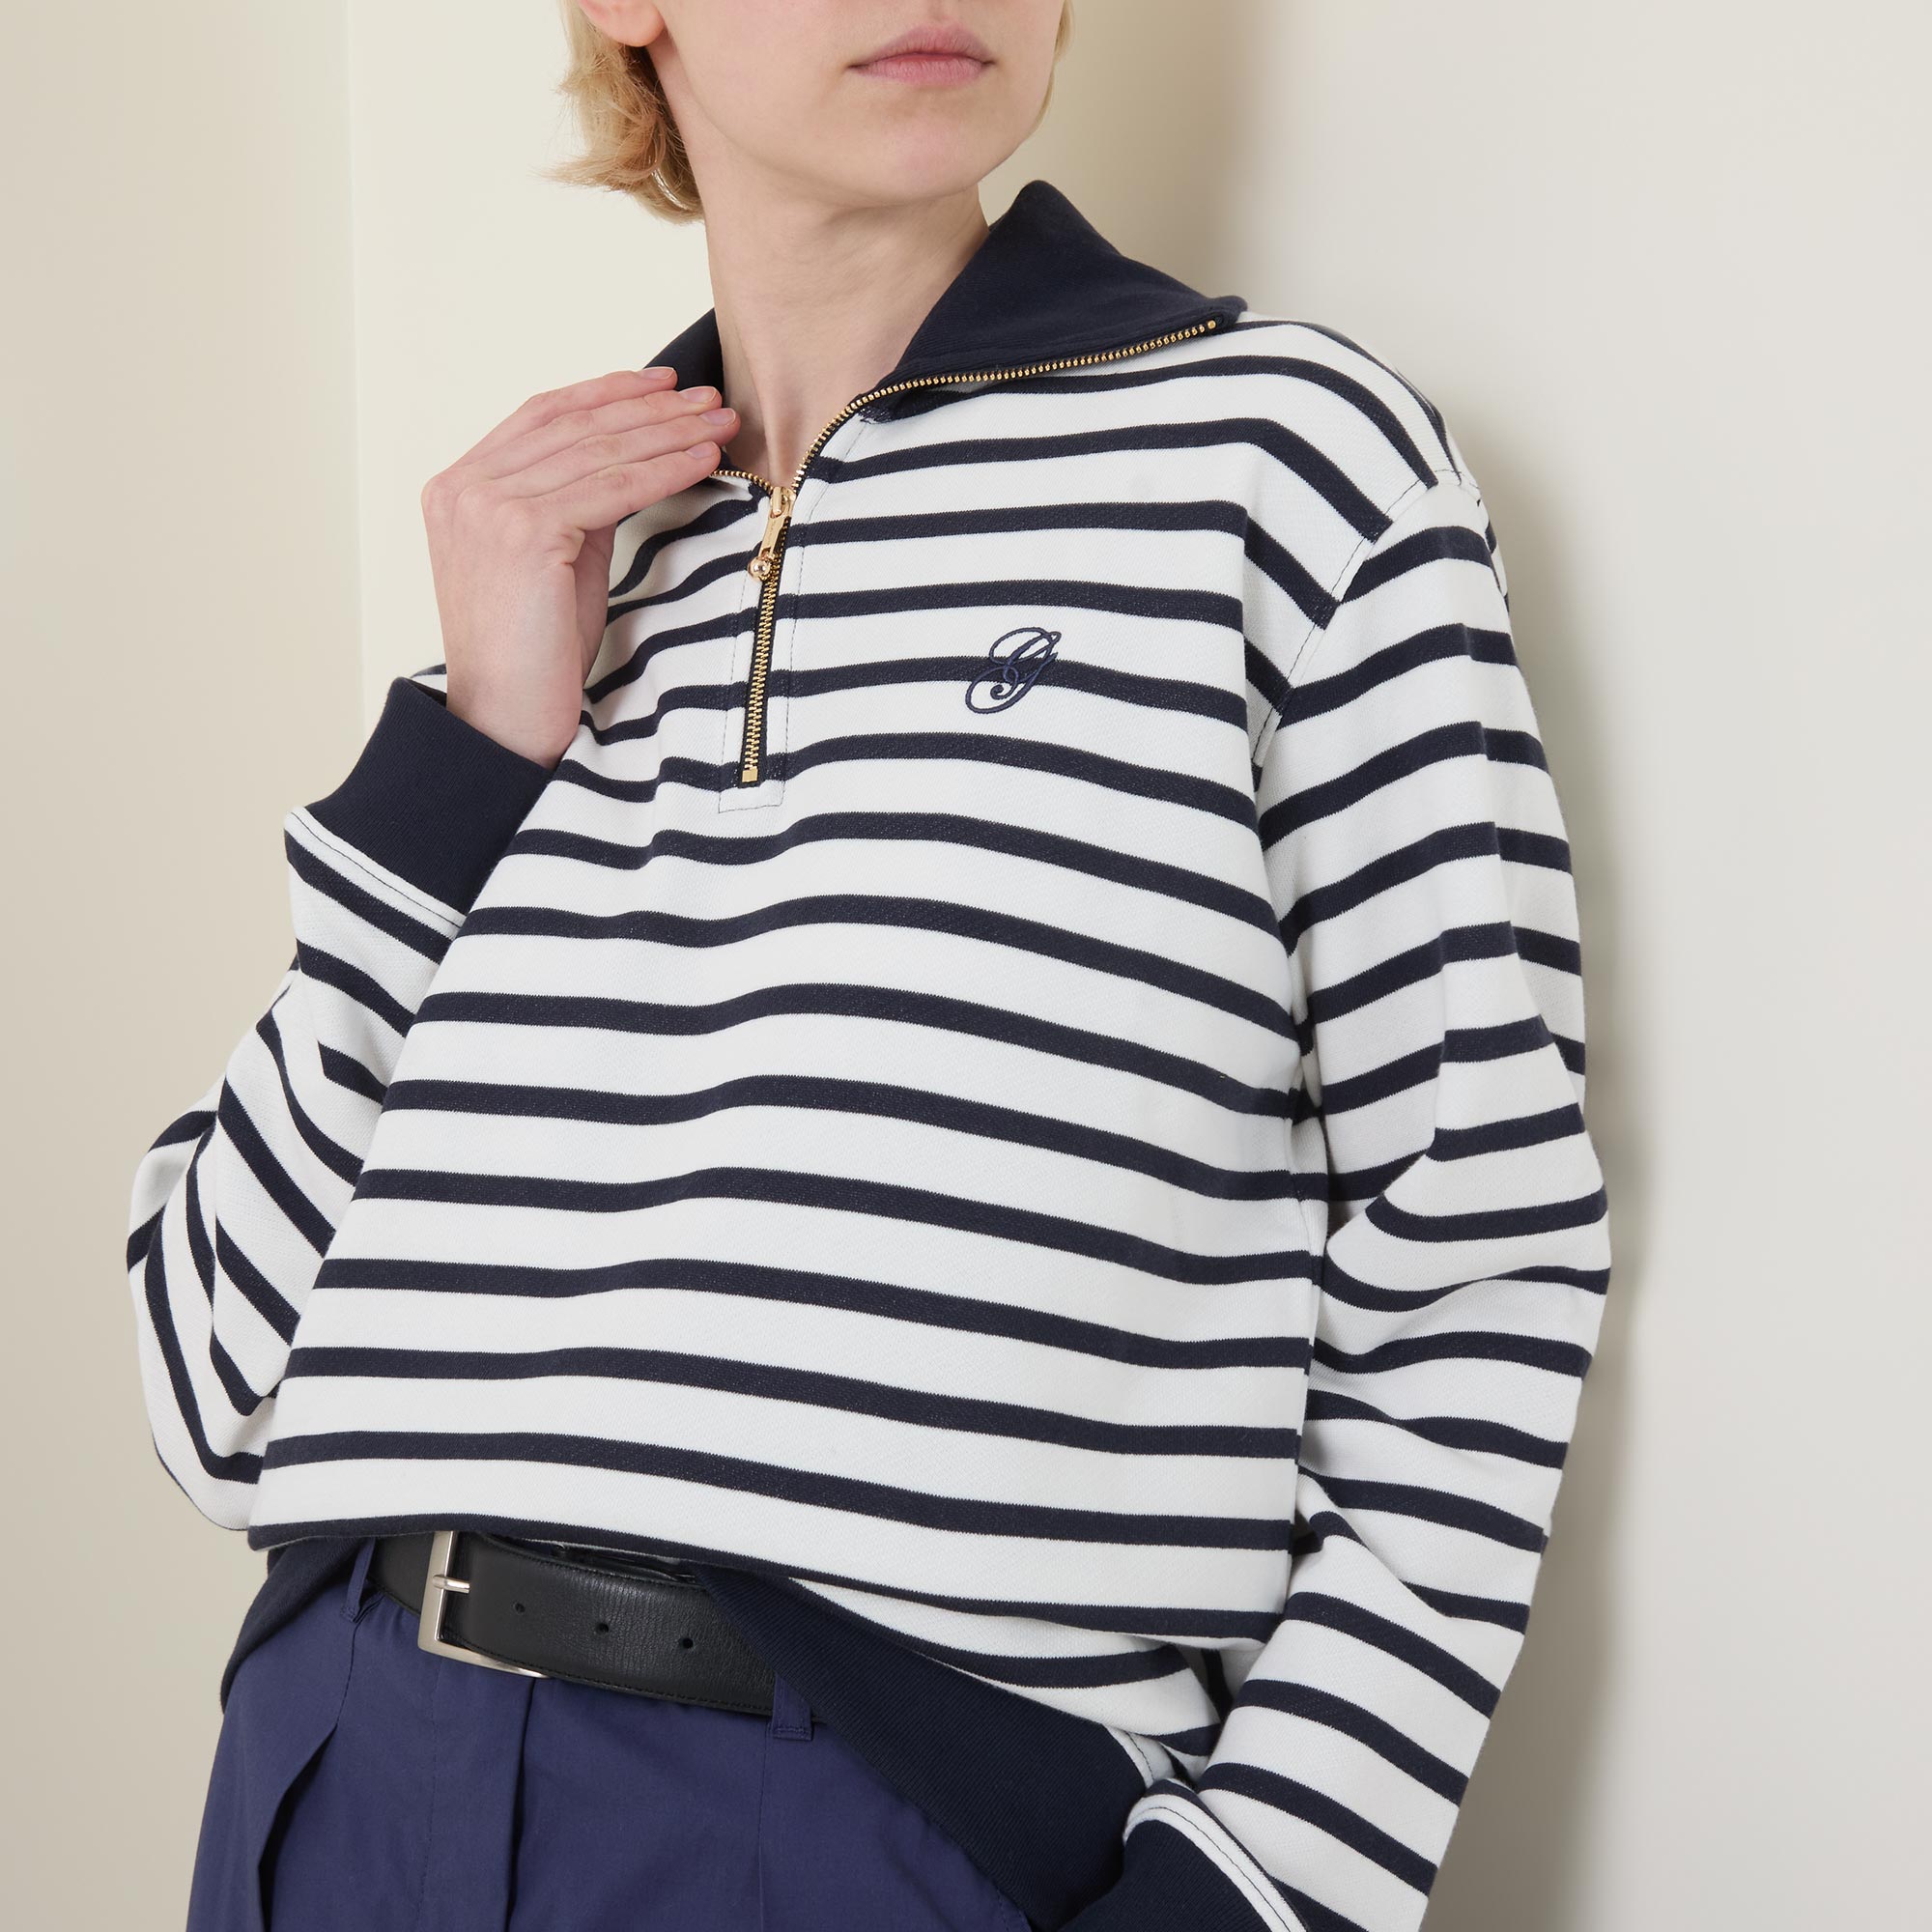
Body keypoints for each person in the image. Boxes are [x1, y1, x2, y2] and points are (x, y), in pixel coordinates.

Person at [123, 4, 1613, 1929]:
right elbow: (209, 1387)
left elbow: (1478, 1256)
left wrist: (1253, 1894)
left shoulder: (1286, 469)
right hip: (345, 1779)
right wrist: (472, 743)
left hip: (886, 1825)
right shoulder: (559, 583)